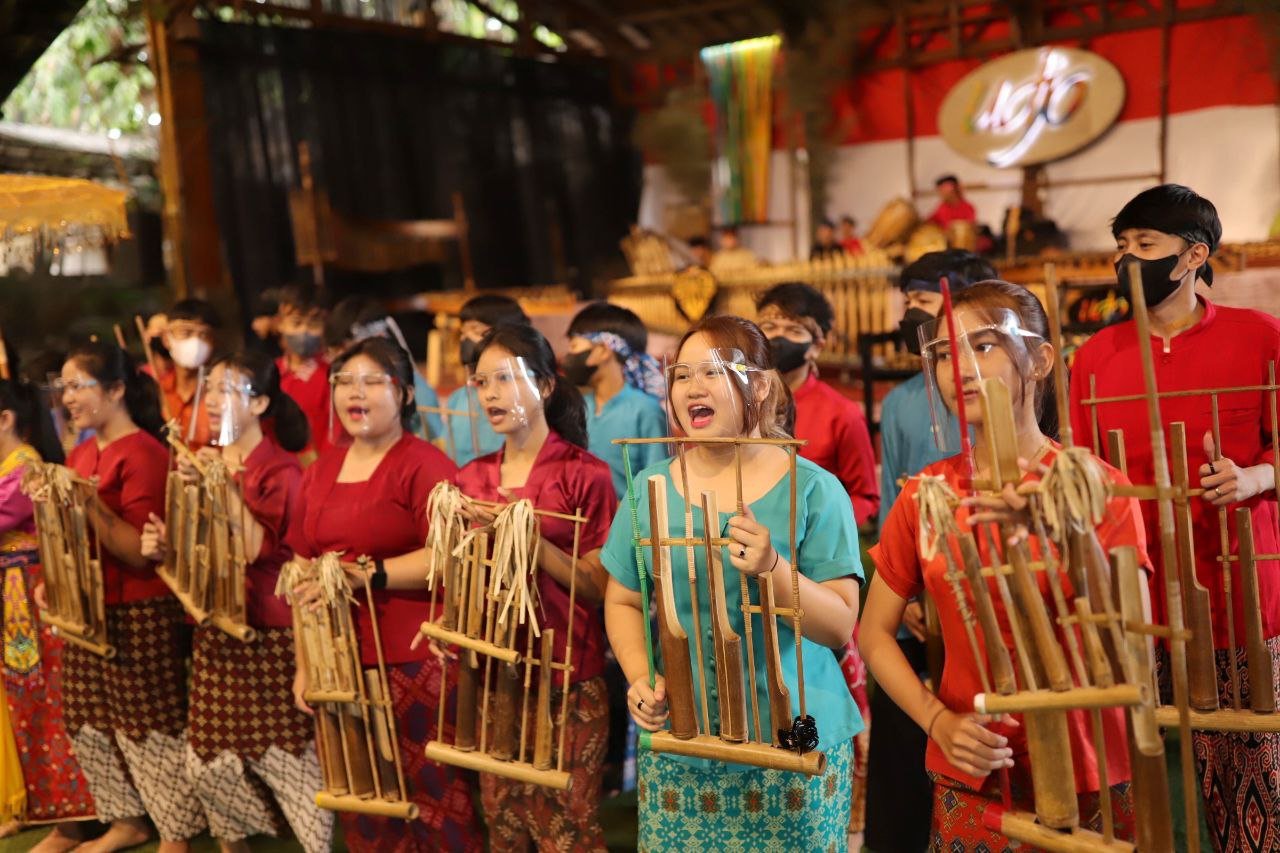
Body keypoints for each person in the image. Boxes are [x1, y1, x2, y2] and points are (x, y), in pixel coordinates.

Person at [861, 281, 1147, 849]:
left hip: (1089, 759)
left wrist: (1064, 535)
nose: (959, 367)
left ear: (1039, 359)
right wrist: (938, 720)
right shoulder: (926, 494)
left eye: (983, 346)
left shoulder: (1093, 483)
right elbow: (873, 634)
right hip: (974, 765)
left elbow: (1132, 632)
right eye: (944, 353)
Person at [1068, 184, 1280, 851]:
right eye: (1122, 247)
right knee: (1143, 802)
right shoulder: (1094, 358)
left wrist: (1256, 475)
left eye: (1146, 246)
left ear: (1193, 255)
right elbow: (1079, 473)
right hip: (1134, 609)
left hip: (1242, 606)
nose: (1128, 260)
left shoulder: (1259, 337)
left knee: (1254, 796)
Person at [601, 315, 864, 851]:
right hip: (685, 737)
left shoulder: (814, 488)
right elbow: (625, 598)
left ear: (761, 386)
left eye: (712, 372)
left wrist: (773, 569)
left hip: (792, 740)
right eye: (681, 375)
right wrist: (639, 677)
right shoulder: (649, 488)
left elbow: (839, 627)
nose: (692, 388)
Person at [288, 336, 481, 852]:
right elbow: (302, 567)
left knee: (435, 796)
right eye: (345, 381)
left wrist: (368, 576)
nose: (357, 392)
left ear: (405, 395)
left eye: (373, 381)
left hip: (415, 658)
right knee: (365, 799)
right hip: (341, 661)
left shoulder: (424, 465)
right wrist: (305, 666)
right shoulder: (320, 469)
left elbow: (449, 556)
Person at [140, 352, 333, 853]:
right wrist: (166, 543)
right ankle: (235, 845)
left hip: (268, 628)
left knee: (287, 758)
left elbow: (252, 550)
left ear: (261, 402)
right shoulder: (201, 461)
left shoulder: (279, 469)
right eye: (213, 389)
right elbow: (194, 551)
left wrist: (219, 487)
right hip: (214, 623)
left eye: (230, 390)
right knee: (207, 760)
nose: (213, 401)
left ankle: (316, 845)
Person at [455, 323, 617, 849]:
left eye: (505, 378)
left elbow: (597, 584)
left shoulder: (584, 474)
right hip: (496, 674)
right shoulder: (470, 479)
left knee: (568, 825)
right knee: (505, 824)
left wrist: (531, 539)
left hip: (568, 675)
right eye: (482, 382)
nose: (491, 394)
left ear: (546, 386)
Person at [49, 341, 205, 852]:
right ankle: (126, 820)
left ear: (116, 390)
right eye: (64, 387)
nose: (67, 397)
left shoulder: (143, 453)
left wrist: (89, 501)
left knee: (148, 725)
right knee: (88, 719)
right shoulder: (81, 452)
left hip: (138, 607)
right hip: (88, 609)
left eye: (79, 385)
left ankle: (177, 829)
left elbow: (140, 553)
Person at [868, 248, 994, 852]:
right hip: (919, 585)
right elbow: (893, 491)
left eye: (926, 297)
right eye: (909, 299)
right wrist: (906, 588)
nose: (912, 310)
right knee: (908, 744)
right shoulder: (898, 404)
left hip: (987, 581)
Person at [0, 367, 95, 850]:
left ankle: (72, 818)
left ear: (4, 419)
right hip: (12, 595)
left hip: (29, 594)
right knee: (22, 702)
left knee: (46, 700)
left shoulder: (25, 468)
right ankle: (42, 808)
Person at [756, 282, 878, 527]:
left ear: (816, 347)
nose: (778, 338)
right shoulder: (740, 404)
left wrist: (821, 529)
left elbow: (866, 497)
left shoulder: (842, 413)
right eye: (769, 327)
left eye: (793, 330)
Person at [563, 302, 668, 499]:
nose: (568, 355)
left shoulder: (645, 411)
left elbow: (657, 487)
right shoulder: (578, 406)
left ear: (603, 350)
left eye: (574, 345)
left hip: (628, 527)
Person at [445, 294, 529, 466]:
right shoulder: (457, 398)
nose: (465, 340)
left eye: (475, 331)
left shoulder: (523, 396)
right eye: (462, 333)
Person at [275, 284, 332, 462]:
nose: (304, 332)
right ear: (280, 323)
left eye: (313, 323)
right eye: (296, 322)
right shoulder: (271, 371)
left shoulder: (333, 373)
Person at [155, 299, 220, 446]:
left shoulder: (221, 394)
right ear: (166, 338)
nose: (195, 342)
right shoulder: (157, 392)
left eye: (204, 335)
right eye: (186, 332)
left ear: (213, 342)